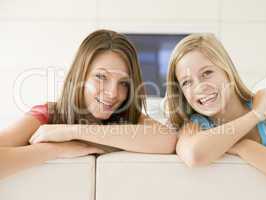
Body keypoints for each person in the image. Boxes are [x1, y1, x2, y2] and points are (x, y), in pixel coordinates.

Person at [0, 29, 177, 179]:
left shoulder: (128, 118)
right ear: (80, 77)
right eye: (101, 77)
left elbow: (168, 140)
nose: (114, 93)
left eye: (123, 83)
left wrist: (73, 131)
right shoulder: (48, 114)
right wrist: (54, 149)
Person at [165, 33, 266, 191]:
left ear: (227, 71)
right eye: (187, 82)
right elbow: (194, 154)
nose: (199, 87)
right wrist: (255, 116)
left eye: (207, 73)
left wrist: (242, 146)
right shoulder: (197, 125)